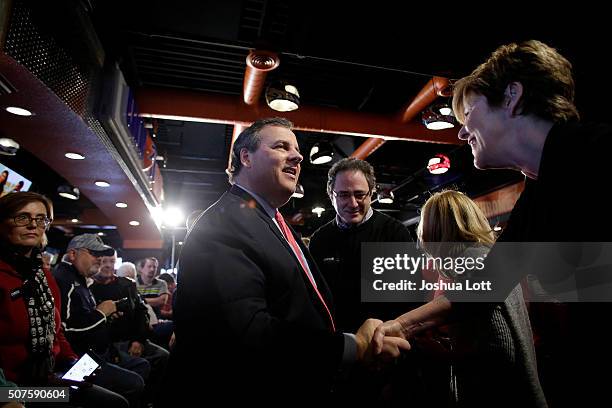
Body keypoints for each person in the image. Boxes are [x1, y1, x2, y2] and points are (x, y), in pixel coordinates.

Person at [373, 40, 612, 406]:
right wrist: (400, 325)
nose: (462, 132)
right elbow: (488, 283)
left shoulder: (598, 155)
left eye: (468, 113)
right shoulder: (539, 189)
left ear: (512, 96)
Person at [165, 117, 408, 406]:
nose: (298, 155)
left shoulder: (274, 224)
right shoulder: (224, 225)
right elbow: (245, 333)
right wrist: (351, 345)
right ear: (246, 157)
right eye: (281, 146)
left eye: (360, 194)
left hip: (349, 364)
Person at [416, 190, 546, 407]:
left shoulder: (470, 262)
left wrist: (444, 355)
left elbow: (501, 347)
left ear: (434, 229)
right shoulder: (483, 257)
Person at [0, 192, 128, 407]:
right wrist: (6, 395)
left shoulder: (43, 275)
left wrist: (72, 362)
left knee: (115, 400)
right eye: (22, 217)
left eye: (41, 219)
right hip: (14, 390)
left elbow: (55, 332)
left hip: (46, 380)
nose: (33, 225)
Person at [310, 157, 417, 331]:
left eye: (359, 194)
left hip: (384, 341)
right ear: (331, 196)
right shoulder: (319, 240)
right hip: (339, 343)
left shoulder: (394, 233)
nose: (352, 204)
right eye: (344, 195)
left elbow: (408, 298)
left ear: (371, 194)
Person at [54, 234, 149, 407]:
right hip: (78, 361)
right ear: (73, 254)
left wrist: (104, 317)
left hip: (90, 355)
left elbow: (83, 321)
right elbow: (66, 332)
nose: (99, 259)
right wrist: (101, 313)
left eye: (101, 255)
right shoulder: (64, 280)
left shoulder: (77, 279)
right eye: (93, 253)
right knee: (132, 386)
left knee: (140, 367)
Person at [90, 251, 169, 403]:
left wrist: (138, 340)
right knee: (141, 366)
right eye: (104, 261)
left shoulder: (127, 284)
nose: (108, 265)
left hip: (133, 337)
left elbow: (141, 312)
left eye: (111, 261)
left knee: (163, 356)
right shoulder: (91, 288)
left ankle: (151, 399)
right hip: (111, 343)